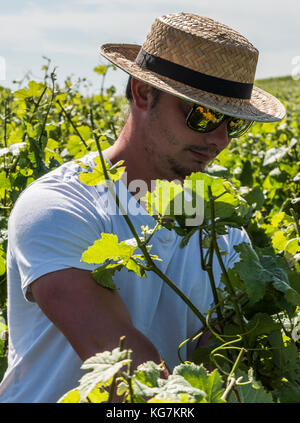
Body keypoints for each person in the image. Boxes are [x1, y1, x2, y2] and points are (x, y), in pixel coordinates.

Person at [0, 12, 285, 403]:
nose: (220, 139)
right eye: (202, 115)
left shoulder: (223, 232)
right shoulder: (58, 207)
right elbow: (128, 374)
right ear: (142, 93)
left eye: (233, 124)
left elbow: (220, 364)